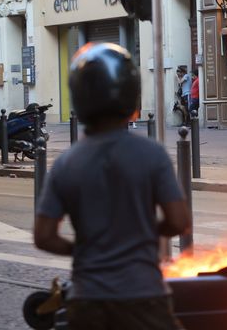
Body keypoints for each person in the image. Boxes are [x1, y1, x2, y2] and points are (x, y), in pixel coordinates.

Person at [34, 42, 191, 330]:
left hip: (87, 300)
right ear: (131, 96)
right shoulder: (152, 154)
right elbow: (179, 221)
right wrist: (142, 235)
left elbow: (44, 236)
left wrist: (85, 248)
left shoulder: (66, 163)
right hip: (144, 297)